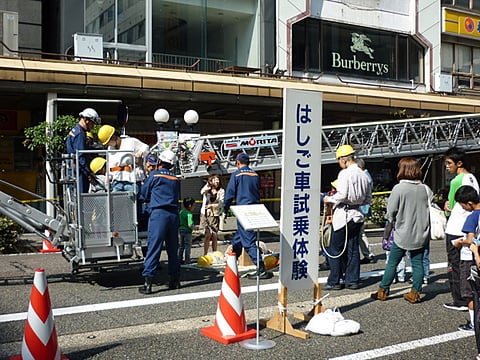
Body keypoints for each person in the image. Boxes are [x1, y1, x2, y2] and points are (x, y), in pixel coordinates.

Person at [371, 157, 431, 303]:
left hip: (402, 234)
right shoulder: (425, 188)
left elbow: (390, 212)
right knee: (417, 263)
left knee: (392, 262)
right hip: (421, 233)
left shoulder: (399, 188)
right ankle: (415, 293)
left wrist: (388, 227)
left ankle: (383, 291)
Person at [323, 145, 371, 290]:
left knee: (334, 249)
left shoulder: (344, 174)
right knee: (352, 249)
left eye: (338, 160)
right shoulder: (363, 174)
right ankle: (352, 280)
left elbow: (342, 195)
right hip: (357, 215)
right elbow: (368, 198)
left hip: (343, 216)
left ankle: (334, 281)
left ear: (344, 159)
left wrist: (329, 199)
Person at [223, 152, 272, 280]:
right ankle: (232, 265)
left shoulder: (236, 175)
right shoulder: (255, 175)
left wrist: (225, 209)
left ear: (237, 162)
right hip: (255, 210)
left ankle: (261, 267)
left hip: (242, 210)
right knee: (238, 240)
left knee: (248, 241)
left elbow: (229, 194)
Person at [138, 149, 181, 294]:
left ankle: (148, 283)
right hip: (173, 215)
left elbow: (144, 193)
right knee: (172, 249)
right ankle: (175, 280)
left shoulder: (154, 175)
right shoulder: (175, 179)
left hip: (159, 215)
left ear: (160, 162)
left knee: (154, 247)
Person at [443, 147, 479, 311]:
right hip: (458, 226)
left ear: (459, 163)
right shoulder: (465, 178)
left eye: (449, 163)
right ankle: (462, 298)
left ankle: (461, 300)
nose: (446, 166)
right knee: (458, 264)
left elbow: (469, 203)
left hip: (458, 228)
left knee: (456, 265)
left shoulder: (463, 179)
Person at [452, 185, 480, 333]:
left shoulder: (473, 216)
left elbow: (470, 239)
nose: (463, 208)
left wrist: (459, 242)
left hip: (469, 258)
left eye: (462, 205)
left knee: (470, 292)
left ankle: (474, 324)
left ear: (469, 203)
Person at [97, 124, 149, 193]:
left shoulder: (130, 141)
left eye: (108, 142)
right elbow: (110, 165)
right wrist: (108, 178)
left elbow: (145, 147)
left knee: (133, 202)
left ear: (113, 137)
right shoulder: (110, 149)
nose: (108, 145)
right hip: (117, 181)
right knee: (116, 202)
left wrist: (140, 153)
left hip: (132, 180)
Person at [65, 108, 101, 193]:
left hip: (73, 171)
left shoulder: (74, 130)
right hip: (79, 173)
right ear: (87, 120)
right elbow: (80, 155)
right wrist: (88, 173)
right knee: (81, 199)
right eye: (93, 123)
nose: (93, 126)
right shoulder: (80, 134)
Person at [355, 158, 376, 264]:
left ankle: (368, 254)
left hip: (361, 207)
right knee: (360, 233)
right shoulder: (367, 176)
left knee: (360, 232)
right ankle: (368, 254)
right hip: (364, 207)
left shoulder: (363, 177)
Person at [201, 174, 225, 255]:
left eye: (218, 180)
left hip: (214, 215)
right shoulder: (207, 189)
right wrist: (208, 184)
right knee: (207, 235)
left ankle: (215, 253)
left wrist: (211, 205)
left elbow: (221, 203)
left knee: (214, 235)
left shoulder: (221, 191)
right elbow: (201, 191)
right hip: (205, 214)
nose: (217, 182)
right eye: (215, 180)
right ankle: (205, 254)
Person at [178, 197, 196, 265]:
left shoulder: (181, 212)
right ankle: (187, 260)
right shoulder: (189, 214)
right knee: (187, 246)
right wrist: (195, 228)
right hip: (187, 232)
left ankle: (179, 259)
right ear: (190, 206)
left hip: (180, 230)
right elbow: (190, 225)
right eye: (193, 205)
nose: (194, 207)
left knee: (181, 246)